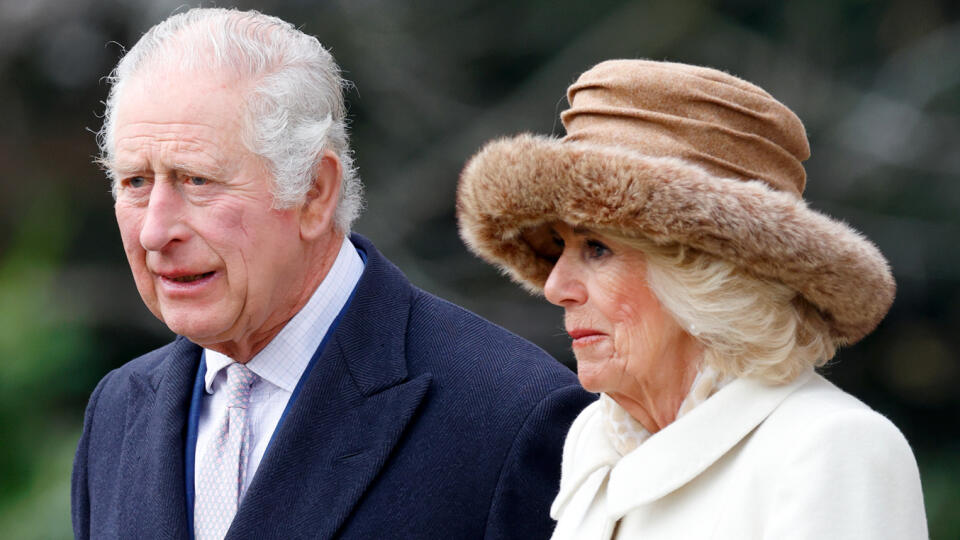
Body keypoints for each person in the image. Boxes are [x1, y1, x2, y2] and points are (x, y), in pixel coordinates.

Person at [71, 8, 594, 539]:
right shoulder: (117, 412)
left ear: (314, 192)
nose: (154, 232)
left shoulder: (511, 417)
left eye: (198, 180)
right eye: (135, 182)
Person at [457, 59, 929, 539]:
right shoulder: (597, 438)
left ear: (706, 275)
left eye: (597, 248)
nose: (555, 287)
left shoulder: (832, 447)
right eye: (559, 246)